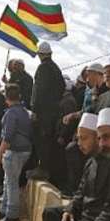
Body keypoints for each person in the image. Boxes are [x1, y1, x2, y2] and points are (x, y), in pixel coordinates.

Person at [0, 84, 32, 221]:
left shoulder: (11, 113)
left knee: (11, 183)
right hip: (25, 149)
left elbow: (8, 137)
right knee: (8, 180)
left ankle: (12, 214)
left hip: (14, 151)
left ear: (6, 97)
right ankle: (4, 209)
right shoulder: (24, 111)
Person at [31, 42, 66, 183]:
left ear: (41, 54)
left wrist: (35, 110)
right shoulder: (56, 68)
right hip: (53, 111)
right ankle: (47, 170)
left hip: (44, 112)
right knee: (49, 141)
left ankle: (43, 169)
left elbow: (39, 90)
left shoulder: (43, 68)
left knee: (42, 140)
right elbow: (62, 86)